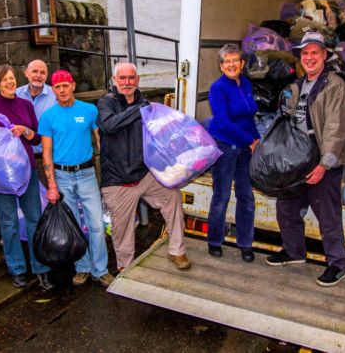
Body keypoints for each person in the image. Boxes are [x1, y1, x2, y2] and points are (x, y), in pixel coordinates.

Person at [266, 31, 345, 287]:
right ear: (300, 58)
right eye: (305, 53)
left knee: (327, 215)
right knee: (286, 207)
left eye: (315, 52)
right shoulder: (296, 86)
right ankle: (294, 252)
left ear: (324, 55)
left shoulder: (335, 86)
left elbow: (336, 129)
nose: (310, 57)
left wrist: (324, 164)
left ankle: (338, 264)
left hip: (325, 161)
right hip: (298, 160)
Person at [97, 62, 190, 272]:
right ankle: (125, 268)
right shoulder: (106, 103)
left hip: (144, 174)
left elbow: (157, 135)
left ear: (138, 81)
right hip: (117, 180)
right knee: (122, 230)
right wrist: (141, 109)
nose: (127, 82)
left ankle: (177, 250)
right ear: (115, 80)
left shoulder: (145, 103)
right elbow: (110, 125)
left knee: (172, 196)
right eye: (122, 78)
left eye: (131, 78)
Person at [0, 65, 53, 289]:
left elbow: (37, 138)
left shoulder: (26, 104)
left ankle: (41, 268)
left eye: (12, 78)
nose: (10, 82)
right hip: (0, 174)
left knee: (35, 219)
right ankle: (17, 268)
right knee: (8, 222)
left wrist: (25, 131)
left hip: (25, 170)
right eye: (5, 80)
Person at [38, 70, 114, 287]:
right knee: (74, 226)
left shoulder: (89, 110)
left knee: (97, 225)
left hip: (87, 174)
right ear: (53, 90)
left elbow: (101, 142)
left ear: (73, 86)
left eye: (65, 85)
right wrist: (51, 185)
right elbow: (46, 153)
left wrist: (108, 171)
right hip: (62, 176)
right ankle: (82, 268)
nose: (62, 90)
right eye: (57, 86)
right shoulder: (48, 117)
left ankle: (100, 270)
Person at [206, 43, 259, 261]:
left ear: (242, 63)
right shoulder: (218, 88)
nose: (231, 64)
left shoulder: (246, 84)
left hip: (245, 147)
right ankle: (214, 240)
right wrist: (250, 141)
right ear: (221, 66)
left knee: (246, 196)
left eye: (235, 60)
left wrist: (257, 139)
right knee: (222, 195)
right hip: (225, 145)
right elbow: (223, 122)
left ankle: (245, 243)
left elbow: (249, 117)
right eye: (227, 61)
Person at [15, 59, 56, 188]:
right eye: (35, 71)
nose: (38, 75)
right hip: (19, 158)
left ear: (47, 75)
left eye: (42, 72)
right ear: (26, 73)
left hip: (44, 158)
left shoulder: (55, 96)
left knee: (48, 200)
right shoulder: (15, 94)